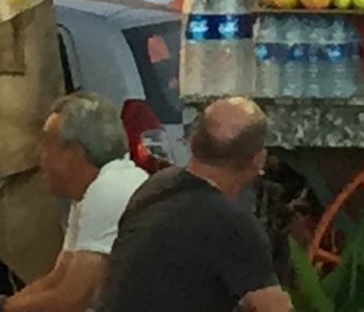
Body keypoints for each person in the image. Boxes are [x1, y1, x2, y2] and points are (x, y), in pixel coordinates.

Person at [0, 91, 146, 312]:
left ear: (73, 153)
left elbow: (73, 299)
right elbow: (57, 277)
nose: (39, 156)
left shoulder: (108, 189)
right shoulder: (91, 192)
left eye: (46, 144)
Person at [97, 98, 289, 312]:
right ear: (258, 160)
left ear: (191, 142)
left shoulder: (152, 188)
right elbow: (272, 307)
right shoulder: (233, 224)